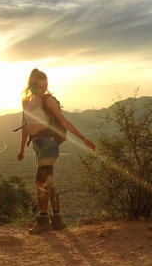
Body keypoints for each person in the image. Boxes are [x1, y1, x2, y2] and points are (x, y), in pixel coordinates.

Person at [18, 68, 96, 234]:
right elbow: (25, 126)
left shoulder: (48, 101)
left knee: (40, 184)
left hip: (48, 145)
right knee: (48, 183)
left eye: (45, 85)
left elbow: (64, 121)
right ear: (31, 84)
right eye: (40, 85)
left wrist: (83, 138)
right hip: (38, 146)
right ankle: (58, 220)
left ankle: (43, 221)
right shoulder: (26, 102)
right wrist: (21, 149)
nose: (43, 88)